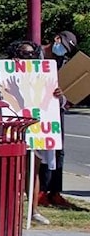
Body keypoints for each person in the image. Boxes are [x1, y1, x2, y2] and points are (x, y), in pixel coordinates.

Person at [0, 39, 52, 225]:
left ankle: (33, 210)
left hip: (35, 131)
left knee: (33, 171)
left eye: (32, 55)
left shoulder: (42, 76)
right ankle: (8, 209)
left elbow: (55, 101)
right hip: (12, 131)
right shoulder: (3, 76)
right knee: (11, 171)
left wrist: (58, 94)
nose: (28, 59)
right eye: (24, 55)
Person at [39, 30, 79, 208]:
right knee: (40, 150)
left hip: (55, 111)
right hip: (37, 109)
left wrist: (63, 96)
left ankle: (54, 192)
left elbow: (67, 92)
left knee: (57, 150)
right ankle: (40, 191)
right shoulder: (36, 55)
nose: (62, 52)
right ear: (56, 39)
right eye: (63, 46)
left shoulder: (62, 63)